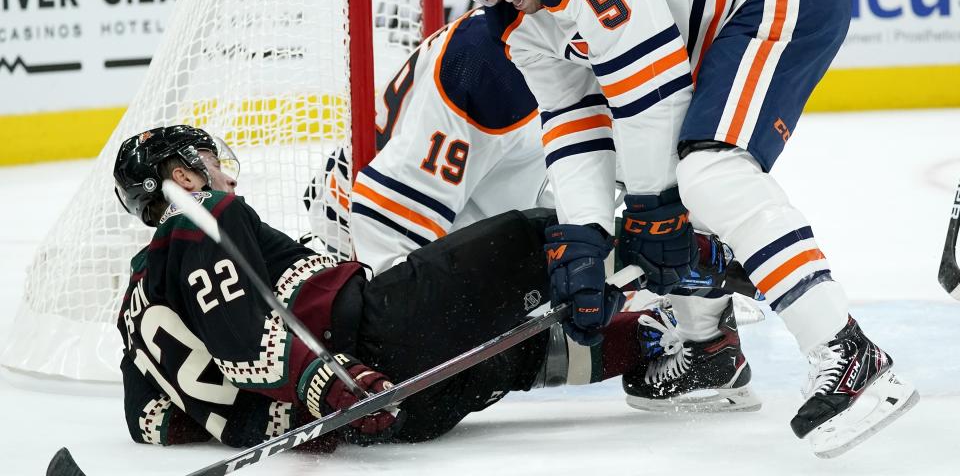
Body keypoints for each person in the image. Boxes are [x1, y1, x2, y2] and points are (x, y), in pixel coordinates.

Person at [427, 0, 918, 456]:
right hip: (727, 16)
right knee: (665, 197)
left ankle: (849, 353)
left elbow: (652, 91)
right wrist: (585, 239)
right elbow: (575, 122)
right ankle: (708, 351)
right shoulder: (522, 23)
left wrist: (650, 209)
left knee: (707, 174)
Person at [114, 124, 698, 450]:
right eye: (207, 165)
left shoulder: (136, 305)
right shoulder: (198, 216)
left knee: (515, 353)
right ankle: (694, 256)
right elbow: (243, 335)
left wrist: (305, 418)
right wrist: (332, 383)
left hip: (395, 412)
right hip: (367, 341)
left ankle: (654, 348)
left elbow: (149, 421)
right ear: (182, 178)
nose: (222, 174)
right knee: (527, 237)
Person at [305, 7, 762, 412]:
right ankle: (657, 325)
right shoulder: (488, 67)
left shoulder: (591, 43)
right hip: (366, 254)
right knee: (456, 365)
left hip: (469, 213)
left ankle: (706, 340)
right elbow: (385, 231)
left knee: (672, 189)